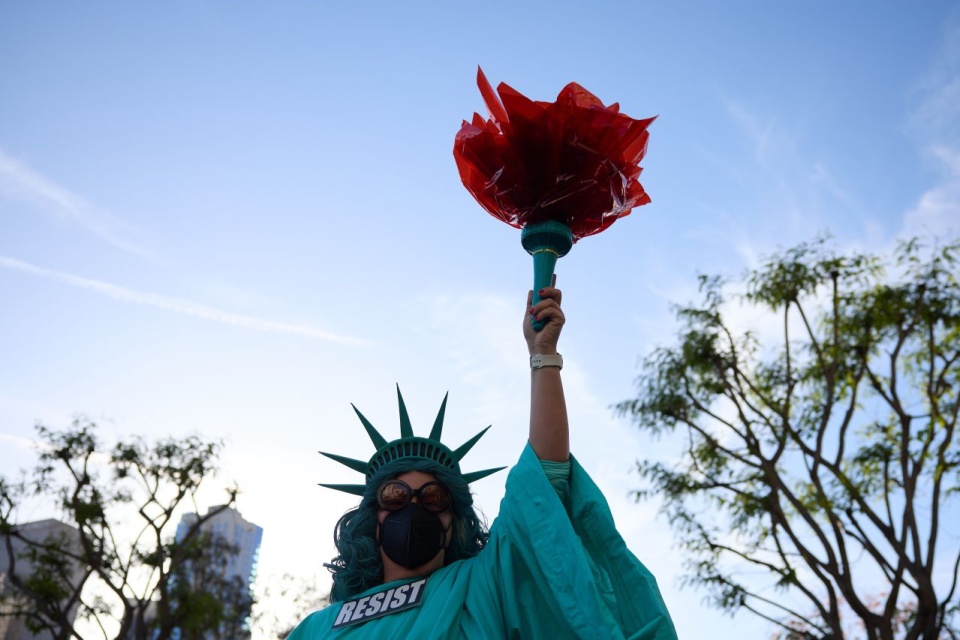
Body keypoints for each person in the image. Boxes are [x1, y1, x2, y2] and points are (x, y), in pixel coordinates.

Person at [286, 286, 677, 639]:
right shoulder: (316, 628)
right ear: (372, 520)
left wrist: (543, 356)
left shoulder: (480, 586)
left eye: (433, 498)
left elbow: (542, 485)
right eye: (395, 496)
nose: (414, 506)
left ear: (454, 521)